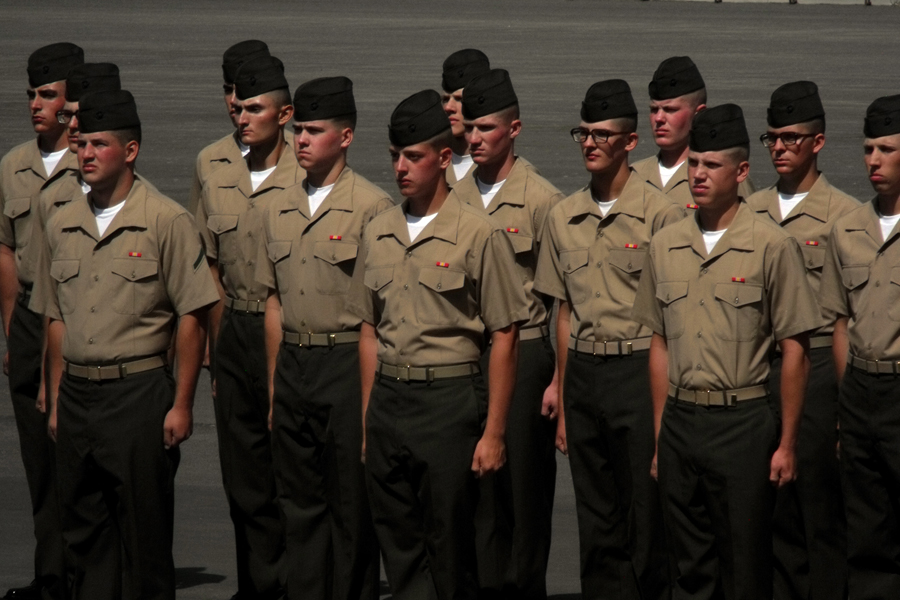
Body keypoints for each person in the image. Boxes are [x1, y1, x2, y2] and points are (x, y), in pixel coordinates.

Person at [31, 89, 219, 600]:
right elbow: (55, 317)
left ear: (131, 151)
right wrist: (55, 397)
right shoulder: (61, 221)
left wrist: (181, 404)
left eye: (100, 144)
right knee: (84, 532)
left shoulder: (166, 221)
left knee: (144, 537)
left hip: (138, 396)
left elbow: (192, 316)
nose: (86, 154)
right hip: (78, 400)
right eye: (82, 144)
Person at [632, 104, 821, 600]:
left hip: (743, 423)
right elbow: (658, 343)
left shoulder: (771, 246)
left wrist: (787, 444)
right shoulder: (665, 244)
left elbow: (796, 350)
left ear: (740, 172)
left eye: (711, 165)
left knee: (744, 563)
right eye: (694, 163)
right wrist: (660, 436)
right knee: (689, 566)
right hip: (680, 423)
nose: (697, 174)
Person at [356, 89, 528, 600]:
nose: (401, 168)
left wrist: (494, 432)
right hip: (389, 401)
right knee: (400, 542)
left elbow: (505, 334)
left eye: (413, 157)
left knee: (451, 547)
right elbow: (368, 329)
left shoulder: (477, 234)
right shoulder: (380, 230)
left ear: (443, 159)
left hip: (449, 404)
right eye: (394, 157)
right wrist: (370, 419)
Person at [533, 79, 682, 600]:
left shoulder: (661, 214)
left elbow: (672, 316)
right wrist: (564, 388)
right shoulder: (563, 216)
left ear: (630, 142)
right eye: (583, 133)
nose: (590, 143)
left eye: (602, 134)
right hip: (586, 376)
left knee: (645, 512)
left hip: (638, 372)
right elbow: (565, 312)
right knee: (596, 519)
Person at [256, 75, 392, 600]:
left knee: (351, 507)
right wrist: (275, 387)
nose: (301, 140)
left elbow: (375, 319)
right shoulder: (275, 205)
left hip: (344, 366)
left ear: (346, 136)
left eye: (314, 131)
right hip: (293, 365)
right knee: (300, 505)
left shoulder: (373, 209)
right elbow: (272, 301)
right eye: (300, 131)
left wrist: (368, 403)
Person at [453, 67, 563, 600]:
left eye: (487, 128)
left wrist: (558, 379)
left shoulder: (542, 201)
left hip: (524, 356)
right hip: (464, 357)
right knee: (471, 494)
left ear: (514, 129)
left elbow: (562, 299)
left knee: (522, 493)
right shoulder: (448, 196)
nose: (474, 138)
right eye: (469, 127)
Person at [746, 81, 857, 600]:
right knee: (771, 516)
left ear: (818, 142)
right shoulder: (750, 209)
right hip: (755, 369)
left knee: (819, 511)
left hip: (814, 372)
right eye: (772, 139)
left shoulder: (843, 217)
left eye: (791, 138)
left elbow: (849, 315)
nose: (780, 148)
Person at [195, 55, 301, 600]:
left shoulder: (305, 178)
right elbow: (209, 267)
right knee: (241, 470)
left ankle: (290, 581)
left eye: (256, 108)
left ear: (285, 115)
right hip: (235, 327)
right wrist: (216, 351)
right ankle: (256, 584)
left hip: (287, 330)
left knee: (289, 464)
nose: (242, 115)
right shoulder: (218, 176)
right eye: (239, 106)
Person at [0, 41, 83, 600]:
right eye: (31, 94)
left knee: (76, 457)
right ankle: (51, 575)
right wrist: (11, 329)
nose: (36, 104)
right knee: (37, 460)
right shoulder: (13, 165)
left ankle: (89, 574)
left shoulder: (91, 160)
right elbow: (5, 250)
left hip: (77, 324)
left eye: (48, 95)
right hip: (29, 320)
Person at [818, 94, 900, 600]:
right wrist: (848, 402)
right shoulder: (846, 229)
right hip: (863, 391)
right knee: (867, 529)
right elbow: (840, 321)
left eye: (886, 149)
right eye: (868, 148)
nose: (872, 160)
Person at [632, 56, 755, 211]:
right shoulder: (634, 176)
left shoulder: (723, 177)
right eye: (654, 109)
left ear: (699, 113)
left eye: (670, 110)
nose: (659, 118)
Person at [187, 39, 271, 215]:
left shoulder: (300, 157)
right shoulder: (209, 161)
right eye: (227, 90)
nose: (233, 100)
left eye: (242, 90)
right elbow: (199, 237)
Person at [440, 48, 490, 185]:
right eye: (445, 99)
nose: (448, 107)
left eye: (458, 99)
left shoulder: (498, 167)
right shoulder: (431, 164)